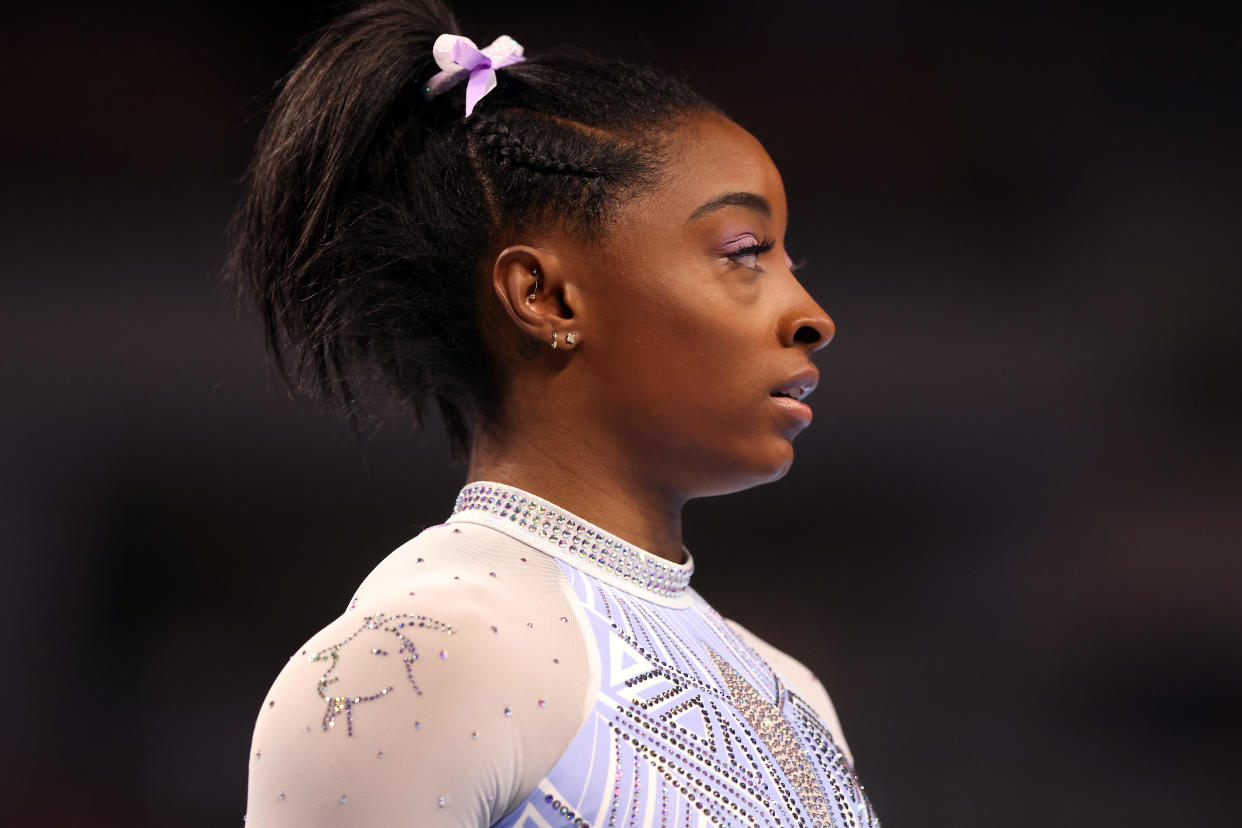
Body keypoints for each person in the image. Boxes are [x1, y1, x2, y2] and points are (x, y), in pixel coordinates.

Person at [232, 1, 879, 825]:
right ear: (543, 295)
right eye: (746, 253)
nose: (811, 314)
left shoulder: (794, 695)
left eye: (790, 258)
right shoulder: (419, 661)